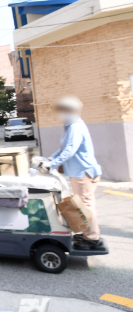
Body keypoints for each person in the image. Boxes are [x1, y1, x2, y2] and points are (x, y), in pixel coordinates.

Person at [39, 96, 103, 250]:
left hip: (83, 173)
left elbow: (70, 150)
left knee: (86, 205)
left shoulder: (75, 127)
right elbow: (63, 149)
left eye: (62, 111)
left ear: (71, 111)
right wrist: (49, 159)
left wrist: (52, 165)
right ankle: (88, 233)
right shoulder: (71, 126)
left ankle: (92, 238)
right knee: (83, 204)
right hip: (80, 172)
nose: (59, 115)